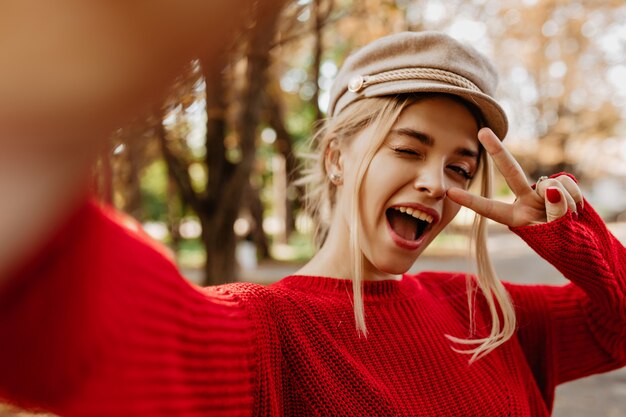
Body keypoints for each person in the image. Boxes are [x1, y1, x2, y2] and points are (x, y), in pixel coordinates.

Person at [0, 29, 624, 417]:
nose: (438, 183)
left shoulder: (486, 313)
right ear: (335, 157)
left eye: (461, 168)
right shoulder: (267, 332)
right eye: (408, 149)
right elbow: (100, 324)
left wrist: (571, 234)